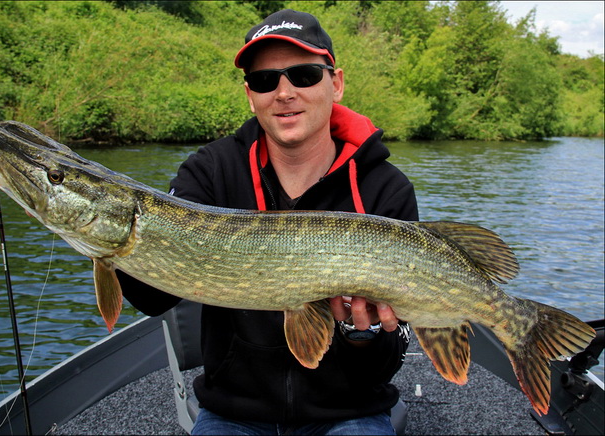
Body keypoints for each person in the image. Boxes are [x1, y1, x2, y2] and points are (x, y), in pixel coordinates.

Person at [119, 9, 419, 435]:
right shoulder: (212, 171)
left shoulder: (383, 188)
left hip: (349, 410)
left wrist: (359, 330)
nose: (284, 92)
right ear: (250, 95)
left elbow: (385, 363)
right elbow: (151, 299)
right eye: (265, 80)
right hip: (232, 411)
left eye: (304, 75)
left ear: (336, 82)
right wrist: (115, 243)